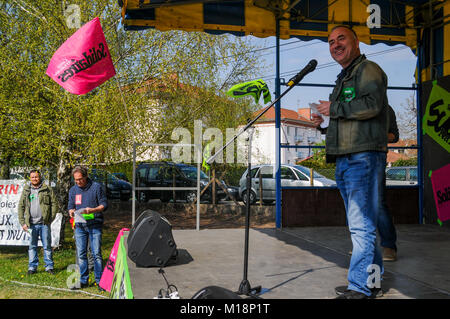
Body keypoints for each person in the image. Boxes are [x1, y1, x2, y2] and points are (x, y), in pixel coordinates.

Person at [312, 25, 389, 299]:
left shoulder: (368, 70)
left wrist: (333, 108)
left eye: (340, 38)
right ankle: (372, 282)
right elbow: (346, 118)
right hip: (347, 158)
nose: (335, 45)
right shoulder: (344, 77)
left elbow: (372, 106)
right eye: (331, 41)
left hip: (363, 157)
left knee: (361, 226)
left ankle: (359, 288)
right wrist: (324, 124)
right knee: (363, 224)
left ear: (356, 42)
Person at [68, 166, 107, 291]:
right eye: (76, 180)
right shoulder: (73, 190)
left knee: (96, 254)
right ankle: (83, 280)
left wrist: (93, 210)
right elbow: (70, 205)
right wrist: (71, 211)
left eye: (80, 179)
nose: (78, 182)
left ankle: (99, 281)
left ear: (85, 176)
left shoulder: (96, 187)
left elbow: (104, 204)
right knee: (81, 254)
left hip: (95, 224)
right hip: (79, 226)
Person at [18, 169, 58, 275]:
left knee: (47, 246)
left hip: (44, 224)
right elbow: (21, 206)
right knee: (32, 246)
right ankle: (32, 267)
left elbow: (54, 204)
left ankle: (49, 267)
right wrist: (23, 222)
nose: (34, 179)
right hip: (31, 224)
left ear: (40, 177)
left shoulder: (47, 189)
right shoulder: (26, 190)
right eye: (32, 177)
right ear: (30, 178)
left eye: (36, 177)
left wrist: (50, 219)